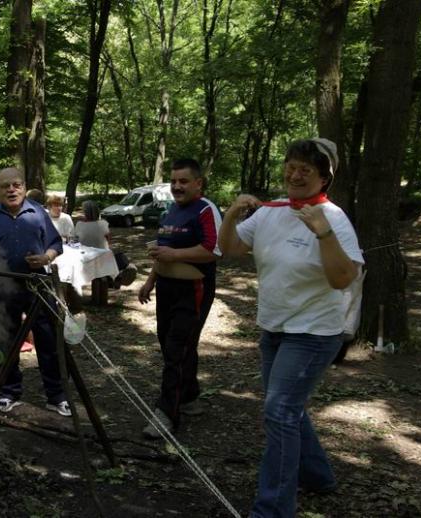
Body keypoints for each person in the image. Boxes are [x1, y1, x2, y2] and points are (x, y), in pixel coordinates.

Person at [218, 138, 363, 517]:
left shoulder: (333, 218)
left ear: (324, 178)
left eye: (306, 170)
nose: (295, 175)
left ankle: (273, 510)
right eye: (291, 166)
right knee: (287, 409)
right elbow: (231, 249)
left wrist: (323, 233)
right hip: (275, 328)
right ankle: (317, 476)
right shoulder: (270, 212)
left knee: (280, 411)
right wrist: (232, 215)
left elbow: (343, 278)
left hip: (314, 333)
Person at [0, 167, 72, 417]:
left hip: (36, 284)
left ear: (24, 186)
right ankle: (8, 392)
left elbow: (55, 244)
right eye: (5, 185)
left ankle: (57, 395)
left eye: (16, 184)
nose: (11, 189)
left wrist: (45, 257)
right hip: (0, 284)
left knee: (48, 338)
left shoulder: (38, 212)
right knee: (2, 339)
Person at [137, 158, 222, 438]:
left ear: (198, 182)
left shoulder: (205, 209)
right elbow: (163, 249)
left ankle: (166, 415)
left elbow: (213, 250)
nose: (177, 186)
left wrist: (175, 255)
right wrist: (150, 281)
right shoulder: (172, 210)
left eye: (183, 181)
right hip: (166, 288)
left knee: (177, 348)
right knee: (171, 343)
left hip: (193, 288)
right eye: (173, 181)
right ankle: (188, 396)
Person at [75, 200, 137, 288]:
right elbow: (109, 240)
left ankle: (114, 278)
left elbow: (76, 241)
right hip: (103, 258)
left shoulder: (79, 225)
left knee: (109, 258)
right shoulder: (103, 224)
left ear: (85, 212)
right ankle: (116, 277)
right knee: (118, 256)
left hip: (85, 259)